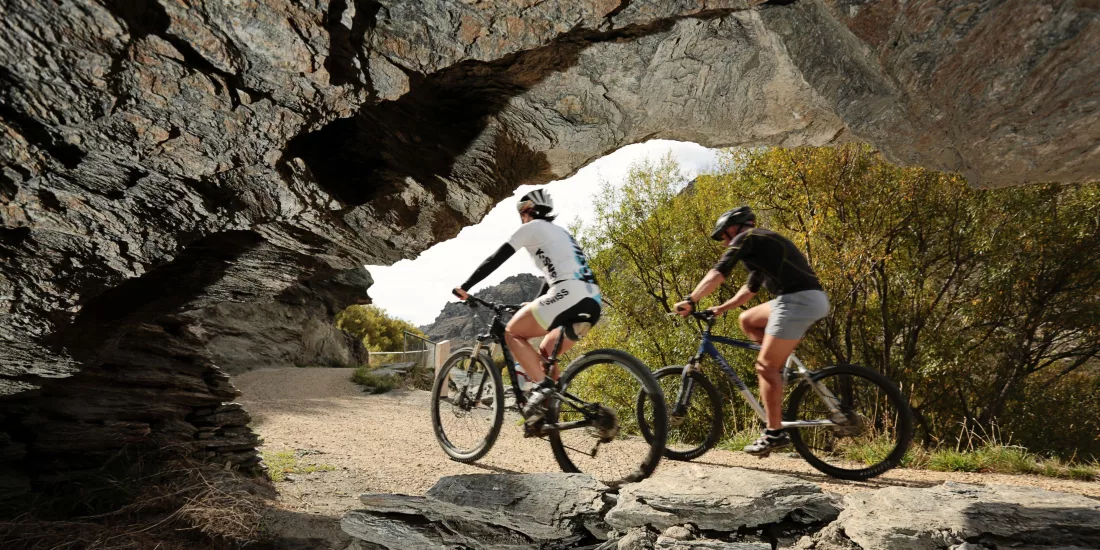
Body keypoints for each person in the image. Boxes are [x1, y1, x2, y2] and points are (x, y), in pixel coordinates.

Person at [674, 206, 829, 455]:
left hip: (798, 300)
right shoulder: (760, 248)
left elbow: (718, 272)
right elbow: (750, 290)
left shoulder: (748, 237)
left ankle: (774, 433)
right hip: (798, 299)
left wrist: (691, 299)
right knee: (747, 319)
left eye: (724, 235)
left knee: (764, 367)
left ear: (737, 228)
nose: (725, 241)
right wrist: (722, 308)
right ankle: (778, 368)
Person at [454, 189, 601, 421]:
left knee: (512, 332)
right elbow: (551, 274)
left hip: (567, 294)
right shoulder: (561, 233)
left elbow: (496, 258)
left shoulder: (531, 228)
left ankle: (543, 388)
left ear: (528, 210)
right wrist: (535, 302)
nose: (521, 218)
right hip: (592, 300)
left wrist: (466, 286)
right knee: (544, 354)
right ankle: (549, 414)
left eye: (521, 213)